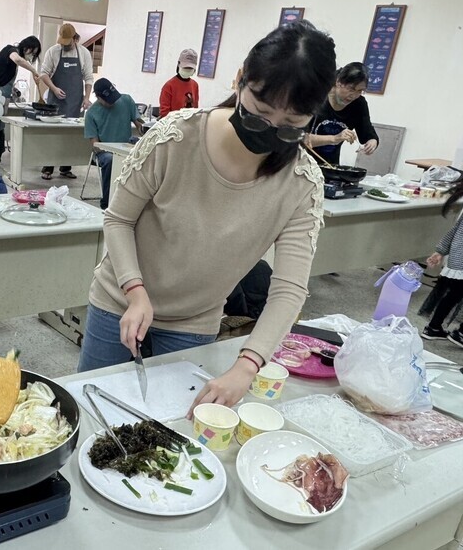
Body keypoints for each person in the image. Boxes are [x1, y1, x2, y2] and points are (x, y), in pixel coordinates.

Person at [77, 21, 337, 413]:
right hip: (119, 301)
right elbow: (118, 219)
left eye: (290, 128)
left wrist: (247, 365)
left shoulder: (301, 183)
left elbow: (289, 289)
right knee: (92, 412)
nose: (268, 134)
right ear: (239, 81)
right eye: (259, 115)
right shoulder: (176, 138)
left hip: (193, 322)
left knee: (167, 428)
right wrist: (135, 291)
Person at [0, 36, 63, 169]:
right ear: (27, 47)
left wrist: (11, 88)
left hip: (2, 97)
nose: (31, 57)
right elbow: (18, 59)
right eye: (33, 53)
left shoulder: (12, 58)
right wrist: (34, 71)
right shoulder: (11, 50)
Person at [39, 23, 94, 180]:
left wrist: (86, 97)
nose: (64, 45)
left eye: (67, 42)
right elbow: (44, 73)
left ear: (74, 39)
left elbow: (89, 77)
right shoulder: (53, 51)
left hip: (74, 101)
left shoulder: (83, 53)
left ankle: (66, 167)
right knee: (53, 135)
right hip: (55, 101)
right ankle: (47, 167)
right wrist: (54, 88)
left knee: (69, 135)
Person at [84, 78, 143, 209]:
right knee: (111, 160)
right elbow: (95, 144)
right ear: (98, 97)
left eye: (113, 98)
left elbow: (140, 124)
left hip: (126, 148)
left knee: (144, 156)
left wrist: (145, 130)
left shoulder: (126, 100)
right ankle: (107, 204)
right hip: (104, 153)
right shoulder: (92, 114)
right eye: (108, 100)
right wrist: (110, 149)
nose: (112, 102)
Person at [307, 62, 378, 164]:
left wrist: (372, 141)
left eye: (360, 91)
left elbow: (366, 131)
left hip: (329, 165)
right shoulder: (316, 97)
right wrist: (335, 138)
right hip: (301, 162)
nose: (353, 95)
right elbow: (300, 138)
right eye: (351, 89)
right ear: (338, 82)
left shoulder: (358, 104)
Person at [421, 179, 463, 348]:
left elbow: (455, 230)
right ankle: (460, 333)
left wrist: (440, 250)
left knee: (453, 294)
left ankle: (433, 327)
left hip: (457, 260)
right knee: (454, 294)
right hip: (460, 261)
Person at [159, 48, 200, 118]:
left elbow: (195, 109)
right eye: (185, 68)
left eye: (190, 68)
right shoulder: (169, 86)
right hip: (172, 124)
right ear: (178, 65)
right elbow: (164, 113)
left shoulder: (195, 85)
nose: (187, 70)